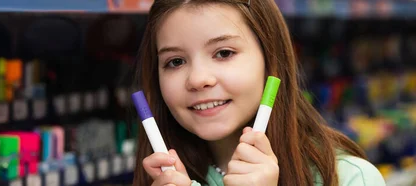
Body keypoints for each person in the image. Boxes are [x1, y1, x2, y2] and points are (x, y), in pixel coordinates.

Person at [131, 0, 386, 185]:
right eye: (175, 61)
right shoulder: (159, 177)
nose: (198, 79)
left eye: (224, 53)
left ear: (270, 61)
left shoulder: (351, 178)